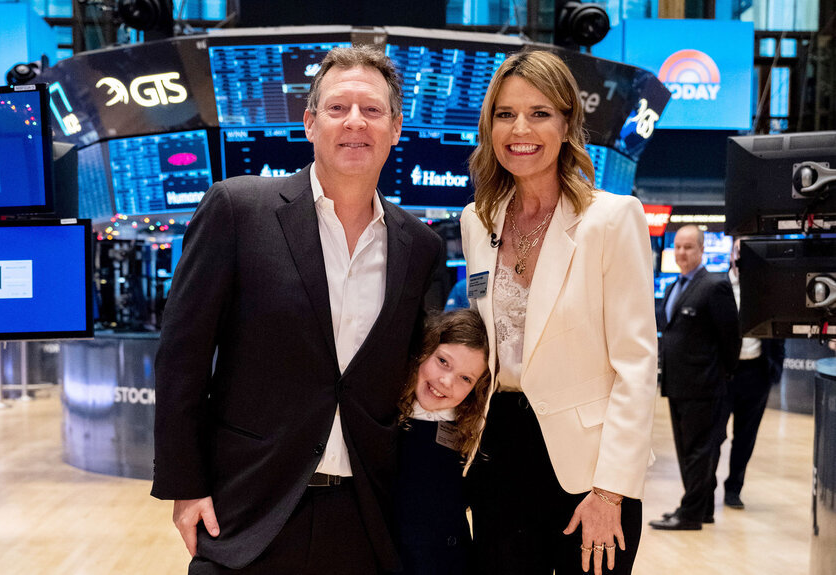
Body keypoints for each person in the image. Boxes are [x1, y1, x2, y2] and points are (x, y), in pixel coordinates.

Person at [151, 45, 446, 574]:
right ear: (310, 122)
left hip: (368, 516)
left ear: (396, 127)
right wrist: (185, 485)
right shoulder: (238, 209)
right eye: (337, 108)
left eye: (372, 110)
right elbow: (182, 358)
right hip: (248, 512)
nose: (355, 122)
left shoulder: (420, 247)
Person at [459, 50, 658, 575]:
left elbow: (637, 369)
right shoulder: (477, 222)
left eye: (539, 113)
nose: (520, 128)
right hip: (498, 456)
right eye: (505, 114)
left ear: (567, 123)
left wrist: (611, 492)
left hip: (589, 472)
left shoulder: (612, 220)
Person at [649, 225, 741, 531]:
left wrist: (721, 376)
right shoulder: (676, 285)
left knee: (699, 452)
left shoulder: (714, 286)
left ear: (702, 250)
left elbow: (731, 339)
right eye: (677, 247)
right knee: (688, 450)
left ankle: (689, 514)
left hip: (704, 386)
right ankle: (701, 510)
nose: (681, 253)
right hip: (677, 385)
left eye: (688, 247)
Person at [394, 308, 491, 575]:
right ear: (425, 349)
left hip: (447, 562)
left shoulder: (473, 431)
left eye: (465, 378)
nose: (446, 381)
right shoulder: (382, 414)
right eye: (443, 361)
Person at [712, 238, 785, 510]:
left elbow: (779, 332)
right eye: (740, 251)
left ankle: (734, 489)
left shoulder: (767, 289)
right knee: (714, 435)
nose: (743, 257)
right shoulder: (716, 286)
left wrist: (773, 370)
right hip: (723, 374)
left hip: (756, 373)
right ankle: (706, 489)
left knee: (745, 437)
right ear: (732, 253)